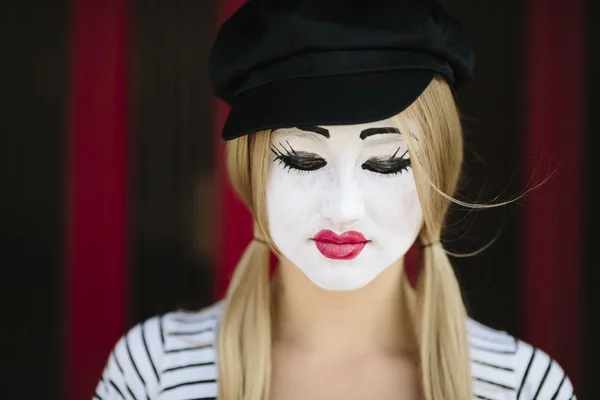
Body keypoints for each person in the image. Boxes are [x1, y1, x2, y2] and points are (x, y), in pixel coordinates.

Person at [94, 0, 576, 399]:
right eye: (303, 159)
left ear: (438, 173)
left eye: (387, 163)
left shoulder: (524, 387)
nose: (343, 207)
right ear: (250, 170)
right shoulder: (155, 372)